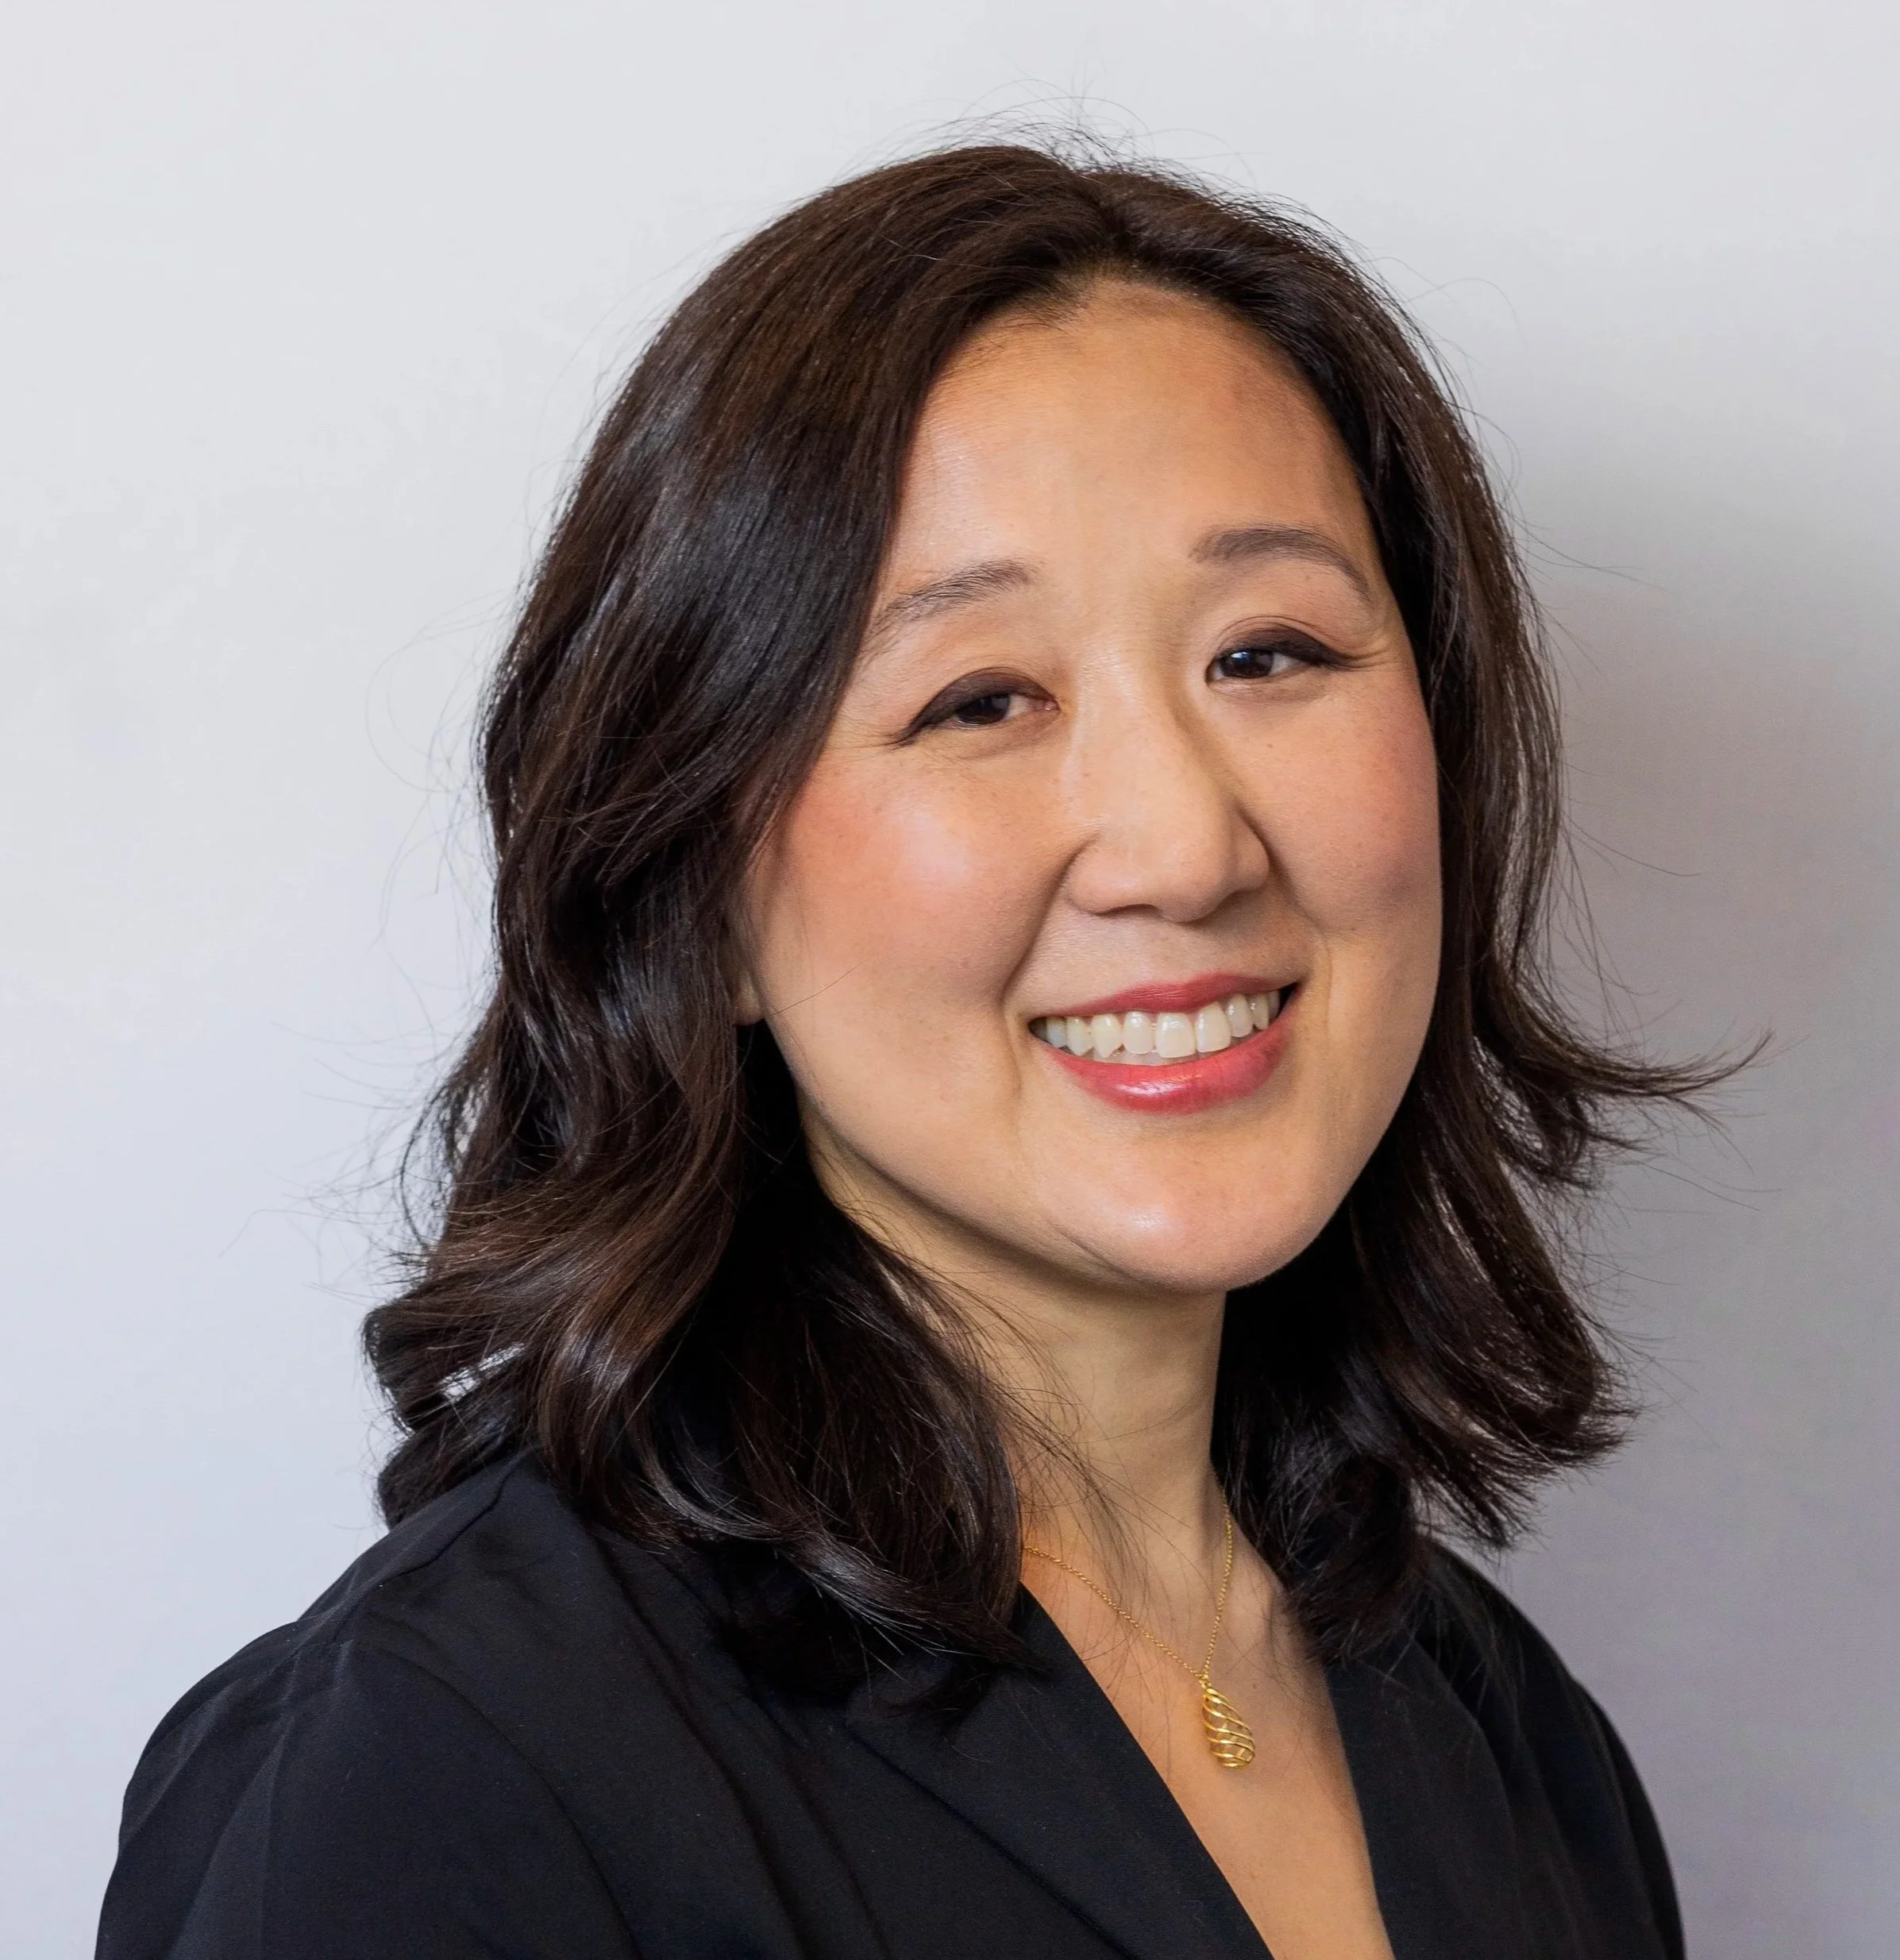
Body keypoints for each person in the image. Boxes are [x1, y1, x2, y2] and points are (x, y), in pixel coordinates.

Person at [97, 141, 1714, 1959]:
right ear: (696, 893)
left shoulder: (1506, 1740)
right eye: (979, 699)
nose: (1183, 845)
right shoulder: (444, 1771)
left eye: (1267, 654)